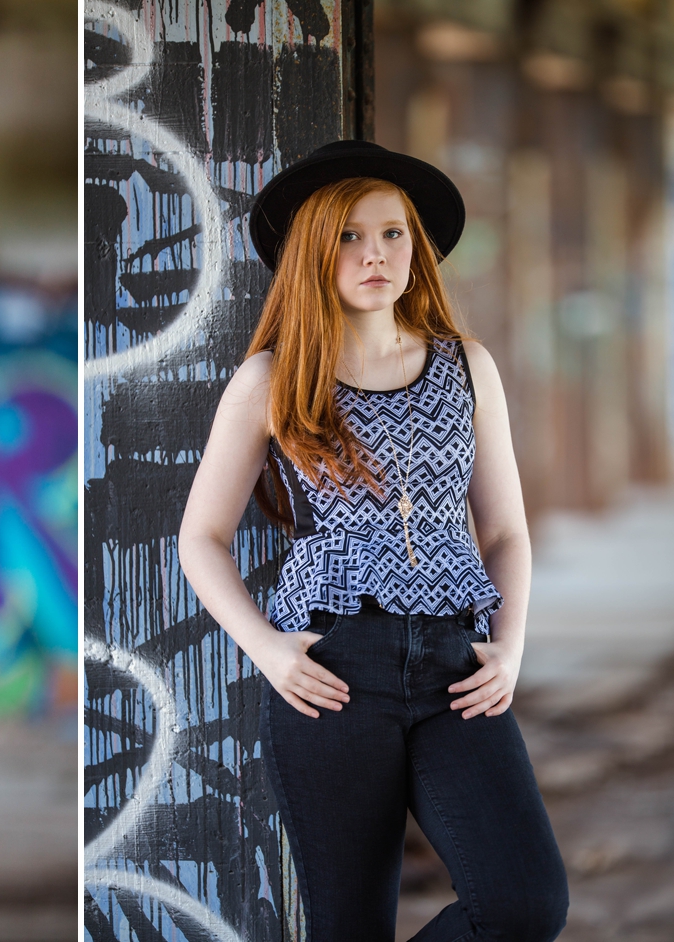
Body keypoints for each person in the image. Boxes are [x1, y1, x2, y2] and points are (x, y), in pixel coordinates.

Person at [178, 141, 568, 940]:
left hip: (458, 668)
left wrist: (512, 646)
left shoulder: (468, 367)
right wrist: (270, 651)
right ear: (313, 255)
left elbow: (503, 530)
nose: (376, 254)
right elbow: (202, 538)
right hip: (333, 671)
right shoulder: (271, 381)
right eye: (350, 237)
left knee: (525, 905)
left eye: (393, 234)